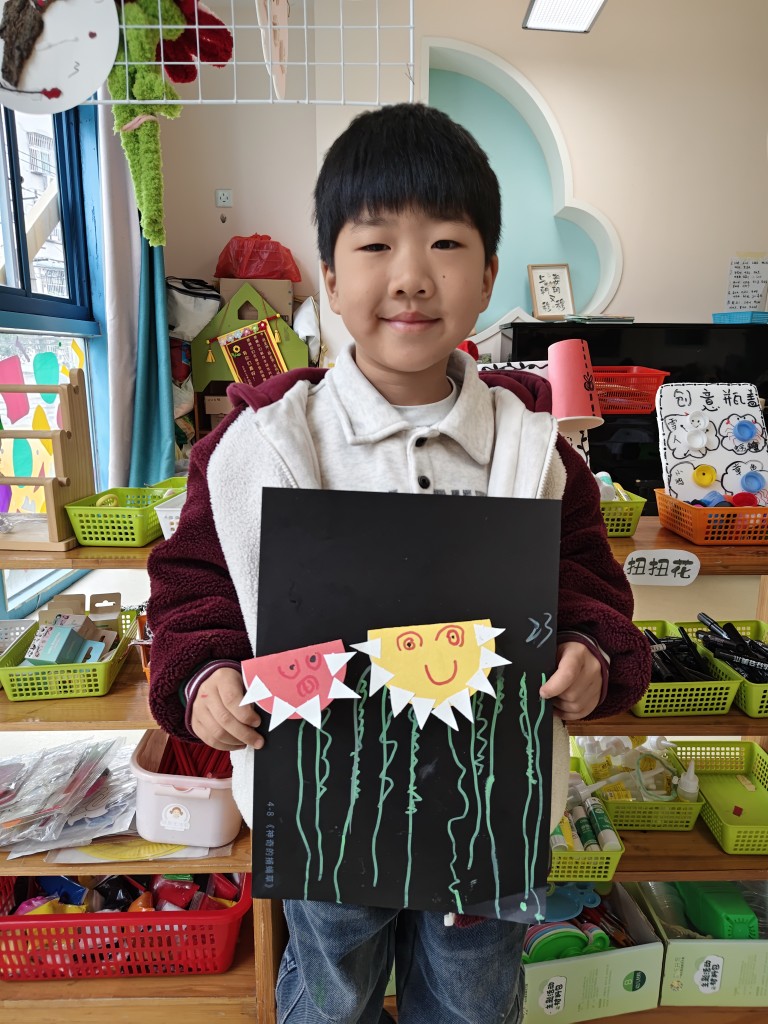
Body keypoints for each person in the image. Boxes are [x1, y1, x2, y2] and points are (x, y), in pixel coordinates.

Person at [147, 102, 650, 1024]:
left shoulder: (537, 455)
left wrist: (593, 655)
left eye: (446, 244)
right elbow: (193, 586)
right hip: (324, 813)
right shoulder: (259, 448)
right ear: (331, 277)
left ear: (488, 274)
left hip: (484, 816)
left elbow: (589, 591)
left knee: (471, 996)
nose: (412, 275)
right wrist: (203, 675)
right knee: (330, 989)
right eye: (376, 245)